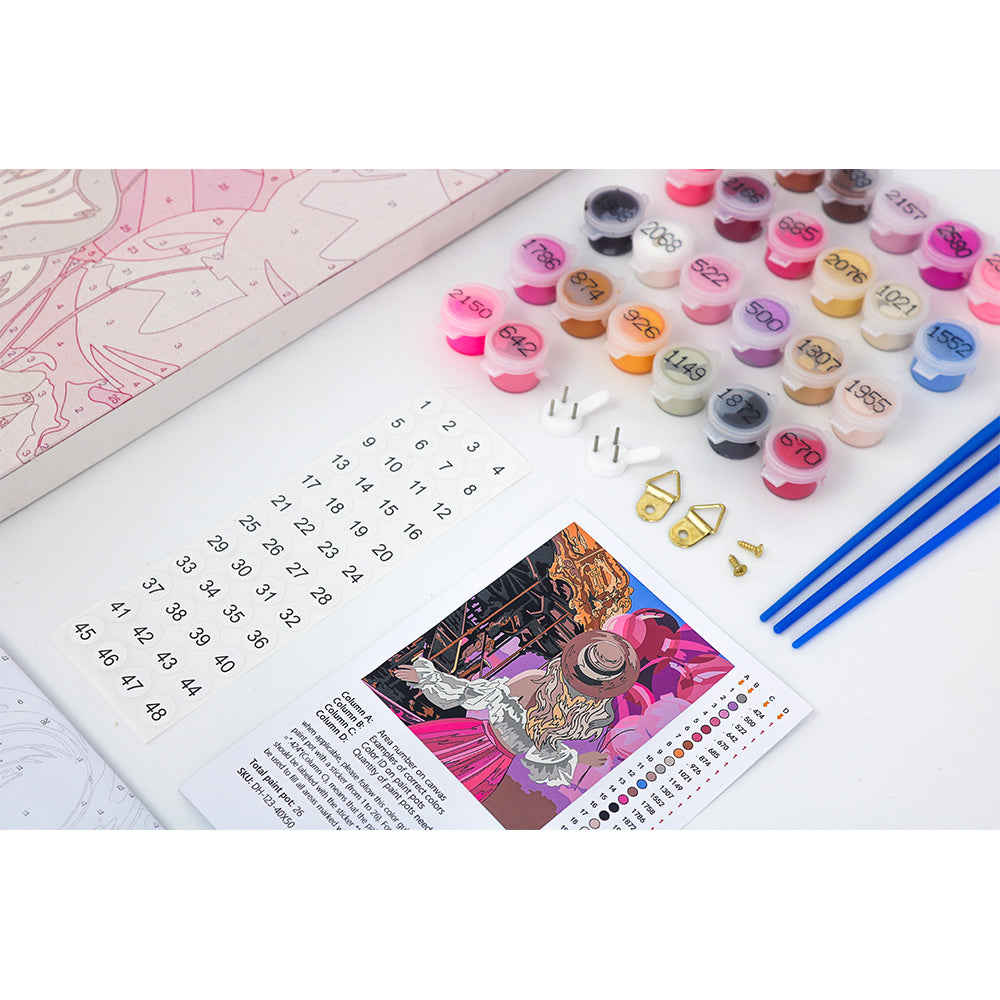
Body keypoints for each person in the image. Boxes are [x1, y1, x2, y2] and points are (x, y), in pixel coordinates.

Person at [393, 629, 639, 801]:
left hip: (485, 758)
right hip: (476, 747)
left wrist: (580, 760)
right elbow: (473, 693)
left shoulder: (564, 707)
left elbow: (542, 756)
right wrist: (426, 677)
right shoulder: (540, 687)